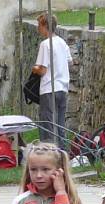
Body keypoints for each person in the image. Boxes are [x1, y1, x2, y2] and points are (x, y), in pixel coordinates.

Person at [33, 13, 72, 150]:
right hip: (62, 87)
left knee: (47, 125)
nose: (38, 29)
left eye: (39, 25)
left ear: (45, 26)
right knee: (60, 124)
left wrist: (35, 69)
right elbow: (69, 61)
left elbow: (43, 70)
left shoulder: (45, 44)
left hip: (49, 88)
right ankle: (63, 152)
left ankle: (48, 152)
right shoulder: (62, 42)